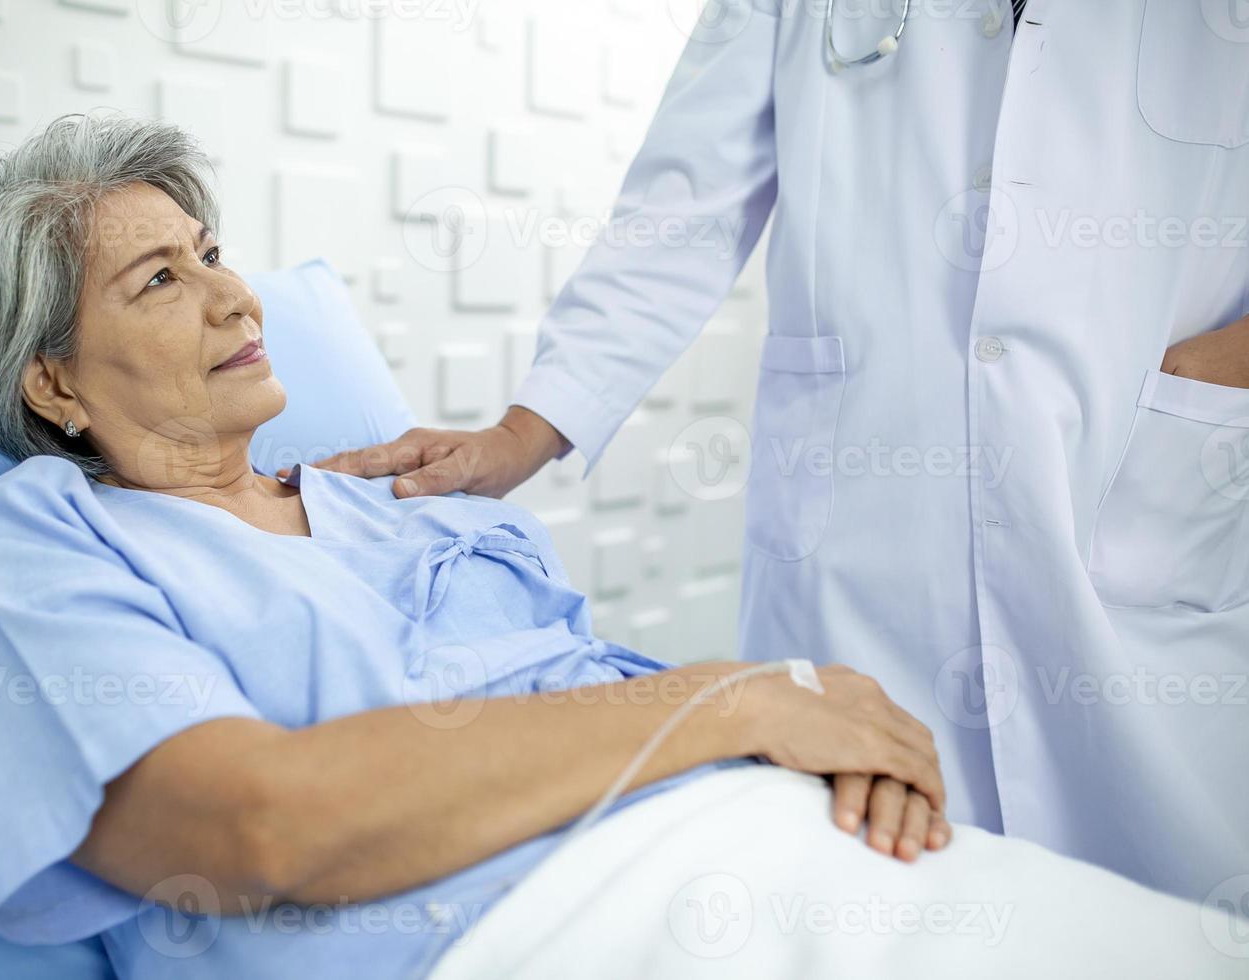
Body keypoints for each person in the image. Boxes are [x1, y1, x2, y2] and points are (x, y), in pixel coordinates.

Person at [0, 114, 1238, 979]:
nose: (235, 292)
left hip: (781, 852)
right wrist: (730, 697)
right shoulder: (49, 535)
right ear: (50, 383)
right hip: (531, 927)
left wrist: (798, 734)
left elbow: (594, 697)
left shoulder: (379, 502)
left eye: (213, 251)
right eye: (160, 279)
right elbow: (251, 827)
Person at [310, 0, 1249, 904]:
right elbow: (681, 210)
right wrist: (526, 432)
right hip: (863, 559)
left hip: (1144, 515)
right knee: (869, 897)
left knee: (1162, 914)